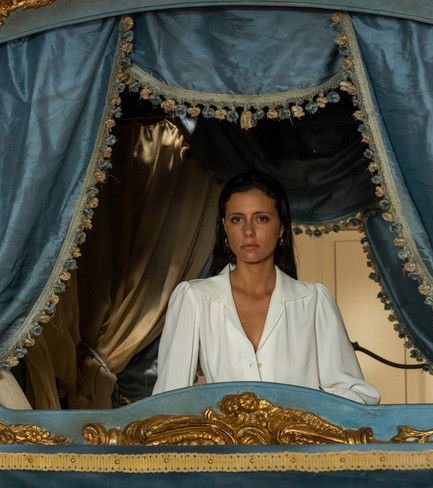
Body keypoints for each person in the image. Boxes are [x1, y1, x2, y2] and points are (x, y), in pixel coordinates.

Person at [152, 171, 380, 404]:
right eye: (236, 219)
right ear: (225, 227)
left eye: (261, 218)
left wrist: (306, 411)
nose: (248, 231)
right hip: (221, 429)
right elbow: (167, 398)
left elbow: (356, 393)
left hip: (301, 429)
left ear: (281, 228)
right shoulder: (194, 298)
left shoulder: (313, 301)